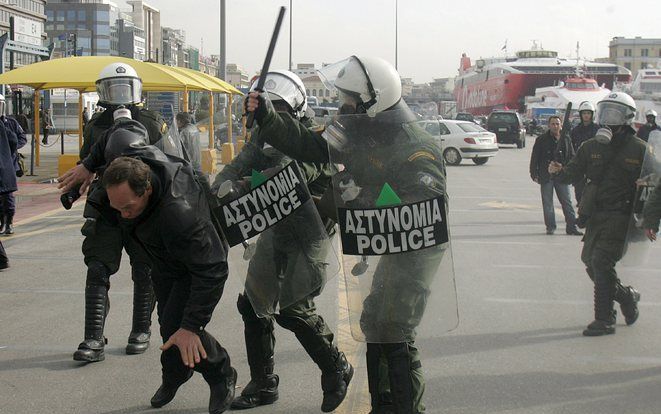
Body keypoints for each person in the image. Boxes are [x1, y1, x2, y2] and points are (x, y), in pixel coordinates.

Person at [246, 56, 447, 414]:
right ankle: (382, 404)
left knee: (396, 326)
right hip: (383, 237)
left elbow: (422, 209)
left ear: (375, 101)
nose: (344, 105)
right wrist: (268, 117)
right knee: (374, 320)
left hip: (417, 244)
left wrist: (363, 198)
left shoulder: (417, 147)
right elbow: (310, 145)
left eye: (351, 98)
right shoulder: (353, 127)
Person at [213, 70, 351, 412]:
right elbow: (237, 166)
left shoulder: (311, 139)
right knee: (253, 305)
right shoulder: (261, 136)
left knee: (294, 310)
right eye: (267, 111)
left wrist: (244, 186)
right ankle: (263, 384)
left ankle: (336, 369)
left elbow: (291, 176)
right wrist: (218, 186)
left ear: (295, 109)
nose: (272, 118)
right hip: (275, 226)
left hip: (311, 231)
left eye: (279, 111)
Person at [100, 130, 235, 413]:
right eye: (116, 208)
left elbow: (212, 269)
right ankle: (176, 373)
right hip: (163, 259)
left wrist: (192, 325)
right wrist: (87, 167)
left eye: (127, 208)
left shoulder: (181, 215)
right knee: (167, 325)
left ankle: (222, 374)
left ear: (146, 189)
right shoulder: (129, 166)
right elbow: (117, 136)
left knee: (180, 326)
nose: (122, 214)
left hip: (195, 262)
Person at [57, 62, 167, 363]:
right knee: (97, 268)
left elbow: (168, 162)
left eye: (125, 87)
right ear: (102, 91)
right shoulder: (94, 126)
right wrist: (77, 187)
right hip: (105, 205)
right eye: (113, 88)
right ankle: (93, 337)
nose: (119, 94)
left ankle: (140, 330)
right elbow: (85, 166)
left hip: (143, 207)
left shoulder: (152, 122)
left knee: (144, 269)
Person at [549, 92, 644, 336]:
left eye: (615, 113)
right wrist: (557, 171)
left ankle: (605, 319)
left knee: (602, 261)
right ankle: (626, 296)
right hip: (595, 215)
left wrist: (648, 217)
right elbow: (571, 173)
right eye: (605, 112)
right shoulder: (590, 146)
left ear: (628, 117)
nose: (608, 118)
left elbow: (654, 183)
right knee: (590, 263)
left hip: (622, 216)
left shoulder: (639, 149)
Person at [530, 115, 582, 235]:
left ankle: (571, 227)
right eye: (553, 124)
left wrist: (564, 168)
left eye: (557, 124)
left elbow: (572, 157)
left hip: (562, 175)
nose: (555, 126)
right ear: (549, 125)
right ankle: (550, 226)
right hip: (546, 175)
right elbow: (535, 158)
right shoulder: (541, 139)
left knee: (567, 202)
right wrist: (534, 174)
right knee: (548, 203)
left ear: (561, 125)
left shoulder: (566, 139)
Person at [0, 94, 27, 235]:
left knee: (7, 195)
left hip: (8, 165)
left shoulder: (10, 123)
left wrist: (10, 151)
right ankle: (2, 222)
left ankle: (9, 222)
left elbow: (19, 139)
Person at [570, 101, 600, 205]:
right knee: (579, 191)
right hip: (579, 164)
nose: (586, 115)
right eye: (584, 113)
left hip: (594, 164)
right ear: (580, 115)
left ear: (592, 114)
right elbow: (571, 147)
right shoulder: (575, 130)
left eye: (588, 113)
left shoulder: (598, 129)